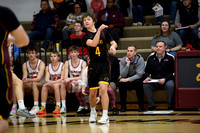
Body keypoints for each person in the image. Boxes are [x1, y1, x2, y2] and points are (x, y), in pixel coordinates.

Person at [82, 12, 117, 124]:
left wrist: (113, 47)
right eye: (84, 20)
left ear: (93, 21)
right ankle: (93, 112)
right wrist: (98, 31)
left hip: (104, 65)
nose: (86, 21)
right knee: (92, 93)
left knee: (103, 88)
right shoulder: (85, 36)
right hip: (93, 66)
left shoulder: (104, 32)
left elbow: (114, 43)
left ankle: (105, 115)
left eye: (88, 19)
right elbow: (93, 43)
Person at [0, 5, 29, 133]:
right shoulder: (4, 14)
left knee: (18, 82)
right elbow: (23, 41)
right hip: (1, 71)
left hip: (7, 65)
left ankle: (20, 106)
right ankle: (20, 107)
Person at [143, 41, 175, 110]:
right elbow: (146, 70)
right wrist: (147, 77)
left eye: (160, 46)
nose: (158, 48)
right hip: (154, 80)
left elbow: (173, 72)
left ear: (165, 48)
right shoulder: (151, 57)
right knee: (145, 85)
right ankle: (151, 105)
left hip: (167, 80)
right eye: (157, 46)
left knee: (171, 85)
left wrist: (165, 79)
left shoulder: (170, 58)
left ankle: (170, 105)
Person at [60, 45, 87, 114]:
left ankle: (82, 105)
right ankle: (63, 106)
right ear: (69, 53)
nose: (73, 54)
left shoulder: (83, 62)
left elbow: (82, 76)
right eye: (72, 52)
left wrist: (72, 79)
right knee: (63, 82)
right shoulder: (67, 63)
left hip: (80, 82)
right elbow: (65, 77)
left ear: (78, 53)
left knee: (82, 82)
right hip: (72, 83)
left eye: (75, 52)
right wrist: (72, 80)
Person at [118, 45, 145, 112]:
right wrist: (127, 65)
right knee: (121, 84)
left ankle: (141, 106)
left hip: (137, 79)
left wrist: (128, 79)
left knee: (139, 83)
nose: (129, 53)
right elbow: (122, 75)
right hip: (127, 78)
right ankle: (123, 106)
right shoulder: (123, 60)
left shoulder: (140, 59)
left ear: (135, 53)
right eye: (128, 51)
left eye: (131, 51)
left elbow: (139, 75)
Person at [22, 47, 45, 115]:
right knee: (22, 84)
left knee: (35, 83)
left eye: (33, 53)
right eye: (29, 53)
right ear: (27, 55)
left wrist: (28, 80)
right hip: (31, 83)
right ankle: (21, 107)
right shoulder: (25, 64)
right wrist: (25, 80)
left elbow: (38, 79)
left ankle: (36, 106)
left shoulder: (41, 63)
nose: (31, 55)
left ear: (36, 54)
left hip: (41, 84)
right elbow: (24, 78)